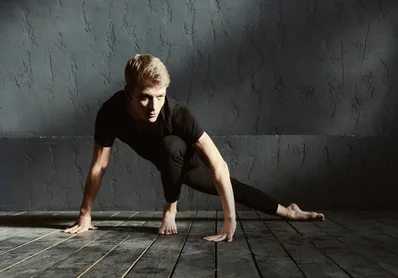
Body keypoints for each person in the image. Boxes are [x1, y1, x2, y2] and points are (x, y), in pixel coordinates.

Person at [65, 54, 325, 242]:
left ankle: (286, 212)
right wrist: (85, 215)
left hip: (183, 160)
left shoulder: (179, 114)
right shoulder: (111, 113)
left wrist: (229, 220)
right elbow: (99, 165)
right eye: (145, 97)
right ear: (129, 93)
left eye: (160, 96)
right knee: (170, 152)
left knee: (180, 151)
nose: (154, 106)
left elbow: (218, 165)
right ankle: (287, 210)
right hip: (164, 161)